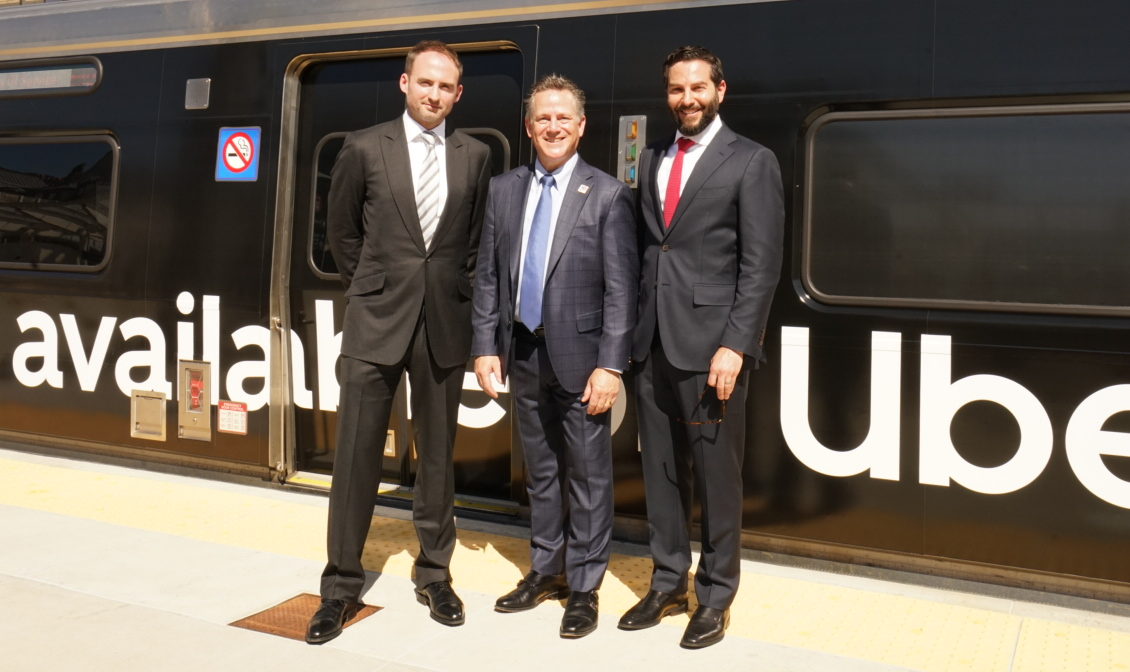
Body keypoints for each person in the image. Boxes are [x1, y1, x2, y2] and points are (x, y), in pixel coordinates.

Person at [306, 41, 493, 644]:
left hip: (443, 322)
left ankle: (435, 574)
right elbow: (341, 235)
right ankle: (339, 587)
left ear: (458, 94)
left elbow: (470, 244)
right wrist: (377, 285)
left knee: (437, 459)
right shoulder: (362, 147)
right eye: (426, 83)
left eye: (447, 87)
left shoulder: (476, 156)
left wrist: (451, 288)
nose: (435, 94)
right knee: (356, 459)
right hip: (375, 322)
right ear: (405, 82)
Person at [619, 45, 784, 649]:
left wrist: (735, 345)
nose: (686, 99)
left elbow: (760, 266)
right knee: (661, 474)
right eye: (675, 90)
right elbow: (650, 248)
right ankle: (667, 581)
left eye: (697, 88)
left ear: (720, 89)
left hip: (712, 350)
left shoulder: (751, 161)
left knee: (717, 478)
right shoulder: (654, 156)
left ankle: (715, 595)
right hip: (652, 344)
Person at [470, 75, 638, 639]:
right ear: (529, 125)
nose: (553, 127)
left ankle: (585, 587)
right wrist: (485, 347)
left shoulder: (609, 194)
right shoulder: (504, 190)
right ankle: (546, 569)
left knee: (588, 475)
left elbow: (622, 290)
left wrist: (611, 365)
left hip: (585, 360)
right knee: (541, 473)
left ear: (582, 125)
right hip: (522, 351)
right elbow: (490, 277)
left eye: (564, 117)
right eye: (543, 118)